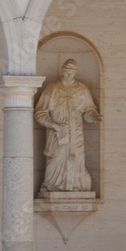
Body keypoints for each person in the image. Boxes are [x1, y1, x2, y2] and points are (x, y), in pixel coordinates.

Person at [35, 59, 101, 193]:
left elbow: (89, 110)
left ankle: (74, 186)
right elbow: (39, 113)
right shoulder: (52, 88)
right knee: (55, 159)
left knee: (76, 158)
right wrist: (54, 124)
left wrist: (93, 117)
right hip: (57, 134)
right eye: (66, 72)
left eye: (72, 73)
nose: (69, 75)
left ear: (76, 73)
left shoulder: (82, 89)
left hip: (76, 135)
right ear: (62, 70)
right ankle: (50, 186)